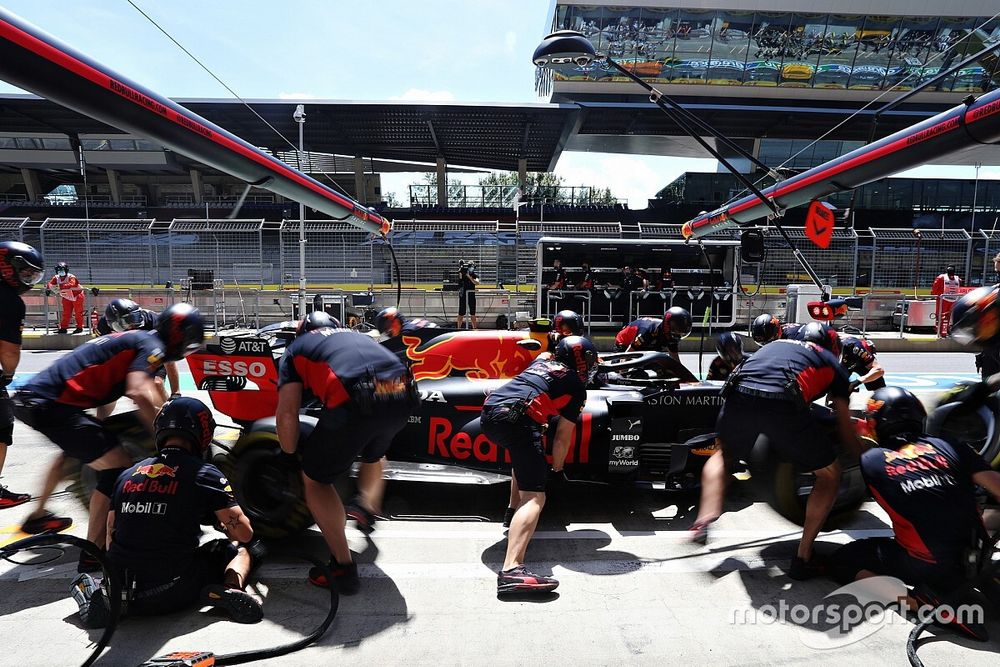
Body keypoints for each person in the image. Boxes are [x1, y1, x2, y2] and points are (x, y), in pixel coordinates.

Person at [13, 303, 204, 571]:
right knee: (117, 465)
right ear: (179, 336)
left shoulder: (141, 338)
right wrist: (163, 435)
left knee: (78, 453)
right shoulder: (153, 346)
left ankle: (37, 516)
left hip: (41, 401)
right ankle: (94, 551)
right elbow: (138, 390)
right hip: (51, 405)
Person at [691, 322, 864, 579]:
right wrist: (863, 460)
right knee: (829, 475)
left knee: (723, 455)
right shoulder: (830, 361)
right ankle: (803, 557)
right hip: (781, 401)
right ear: (833, 346)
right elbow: (843, 423)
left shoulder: (774, 346)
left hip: (737, 392)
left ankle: (704, 519)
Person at [71, 396, 262, 628]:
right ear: (203, 434)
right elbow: (245, 533)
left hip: (122, 593)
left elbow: (111, 535)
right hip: (172, 592)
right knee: (237, 550)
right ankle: (230, 589)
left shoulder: (126, 475)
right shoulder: (205, 473)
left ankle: (99, 592)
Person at [831, 386, 1000, 640]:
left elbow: (852, 456)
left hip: (926, 566)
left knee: (843, 561)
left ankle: (919, 604)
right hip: (975, 557)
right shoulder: (950, 445)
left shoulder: (874, 461)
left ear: (877, 423)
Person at [276, 317, 414, 592]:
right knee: (373, 455)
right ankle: (366, 507)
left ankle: (342, 568)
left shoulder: (296, 348)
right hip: (403, 391)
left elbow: (288, 411)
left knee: (316, 480)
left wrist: (288, 454)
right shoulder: (359, 336)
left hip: (355, 396)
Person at [482, 336, 596, 594]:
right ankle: (512, 570)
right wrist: (556, 470)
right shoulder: (577, 387)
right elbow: (563, 437)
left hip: (490, 413)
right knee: (535, 497)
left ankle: (512, 513)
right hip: (518, 418)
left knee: (523, 459)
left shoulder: (541, 362)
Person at [0, 241, 44, 509]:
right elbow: (9, 353)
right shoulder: (9, 301)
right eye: (26, 273)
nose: (28, 279)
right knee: (1, 428)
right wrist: (8, 374)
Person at [95, 299, 180, 419]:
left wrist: (176, 392)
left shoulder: (154, 322)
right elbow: (101, 353)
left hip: (150, 355)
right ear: (114, 324)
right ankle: (99, 424)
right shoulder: (104, 325)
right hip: (123, 357)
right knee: (108, 391)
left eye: (134, 319)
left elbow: (168, 358)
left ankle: (171, 417)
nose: (133, 326)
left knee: (156, 384)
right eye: (127, 322)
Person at [614, 306, 693, 361]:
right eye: (677, 330)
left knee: (663, 368)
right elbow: (627, 354)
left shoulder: (672, 337)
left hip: (647, 346)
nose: (678, 334)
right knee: (620, 369)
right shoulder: (649, 331)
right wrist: (623, 375)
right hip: (625, 342)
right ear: (668, 326)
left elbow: (675, 361)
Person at [46, 261, 85, 334]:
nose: (61, 272)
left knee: (78, 313)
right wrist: (48, 288)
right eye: (59, 270)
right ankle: (63, 328)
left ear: (66, 270)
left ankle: (79, 327)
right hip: (66, 296)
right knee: (66, 313)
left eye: (62, 270)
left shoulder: (71, 277)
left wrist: (59, 287)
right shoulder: (56, 277)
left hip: (77, 295)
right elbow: (50, 284)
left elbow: (72, 284)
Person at [457, 259, 479, 329]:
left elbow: (477, 282)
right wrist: (461, 269)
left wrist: (469, 276)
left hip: (471, 295)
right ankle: (458, 328)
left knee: (473, 313)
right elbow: (459, 278)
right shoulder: (463, 274)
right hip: (463, 295)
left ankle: (474, 328)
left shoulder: (474, 275)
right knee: (461, 313)